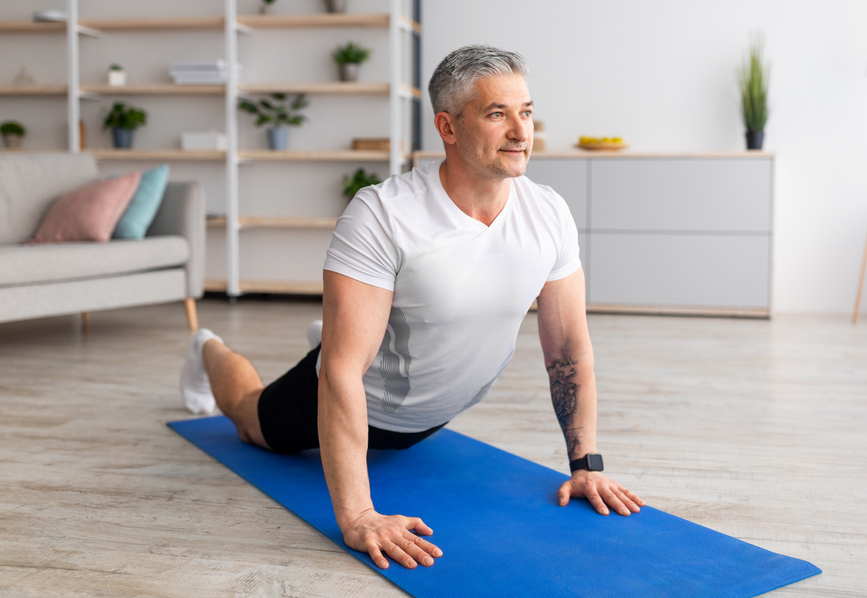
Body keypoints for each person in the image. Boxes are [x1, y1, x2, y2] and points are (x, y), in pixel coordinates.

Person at [179, 44, 645, 571]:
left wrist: (586, 465)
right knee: (252, 421)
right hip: (370, 401)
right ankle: (207, 348)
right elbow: (341, 372)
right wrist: (358, 515)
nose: (521, 132)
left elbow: (567, 350)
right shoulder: (383, 213)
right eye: (498, 114)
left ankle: (359, 325)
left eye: (527, 112)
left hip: (436, 405)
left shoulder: (549, 213)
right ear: (447, 127)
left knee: (360, 339)